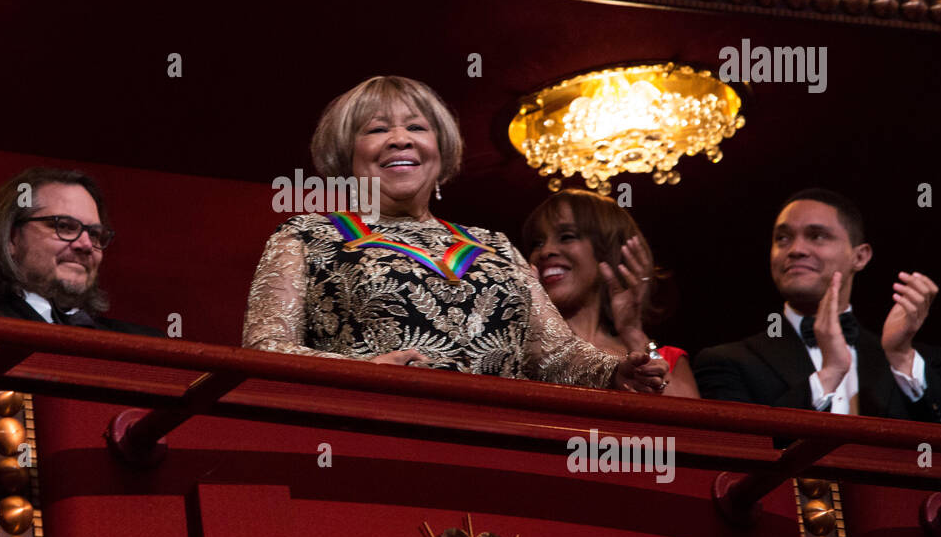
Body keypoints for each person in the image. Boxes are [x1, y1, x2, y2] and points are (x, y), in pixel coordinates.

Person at [242, 75, 668, 392]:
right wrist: (362, 371)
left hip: (500, 438)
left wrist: (615, 370)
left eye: (417, 127)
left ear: (440, 150)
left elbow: (555, 356)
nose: (399, 140)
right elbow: (265, 348)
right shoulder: (307, 236)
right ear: (344, 154)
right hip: (372, 428)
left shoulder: (495, 245)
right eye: (376, 129)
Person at [694, 188, 941, 424]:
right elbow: (742, 453)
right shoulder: (726, 363)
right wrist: (829, 374)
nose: (795, 249)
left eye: (817, 236)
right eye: (783, 238)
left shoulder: (924, 361)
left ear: (860, 257)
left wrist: (900, 357)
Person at [521, 190, 700, 397]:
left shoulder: (669, 359)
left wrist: (633, 334)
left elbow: (687, 422)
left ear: (607, 251)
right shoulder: (516, 349)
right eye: (537, 243)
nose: (545, 252)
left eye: (566, 237)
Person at [0, 167, 161, 335]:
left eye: (94, 234)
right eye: (63, 226)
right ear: (11, 238)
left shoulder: (148, 345)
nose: (85, 245)